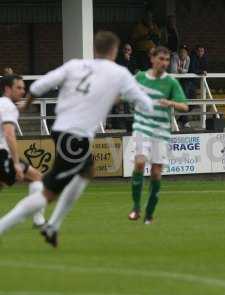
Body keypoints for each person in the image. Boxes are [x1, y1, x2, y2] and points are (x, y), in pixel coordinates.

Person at [0, 31, 153, 247]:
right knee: (48, 192)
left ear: (95, 49)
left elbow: (37, 86)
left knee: (88, 170)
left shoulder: (75, 65)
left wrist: (26, 104)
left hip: (61, 131)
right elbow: (144, 104)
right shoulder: (119, 73)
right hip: (75, 137)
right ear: (114, 51)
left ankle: (53, 226)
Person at [128, 46, 188, 224]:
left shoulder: (171, 82)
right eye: (161, 59)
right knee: (139, 163)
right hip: (142, 127)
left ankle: (149, 213)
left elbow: (184, 106)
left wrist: (170, 103)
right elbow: (125, 92)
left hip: (161, 131)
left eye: (167, 60)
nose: (164, 63)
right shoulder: (139, 78)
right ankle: (136, 207)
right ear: (152, 59)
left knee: (156, 173)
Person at [0, 75, 45, 227]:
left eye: (24, 88)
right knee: (37, 177)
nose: (23, 92)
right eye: (18, 88)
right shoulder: (8, 107)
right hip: (2, 154)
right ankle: (38, 220)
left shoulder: (3, 104)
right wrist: (16, 163)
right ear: (7, 89)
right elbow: (9, 134)